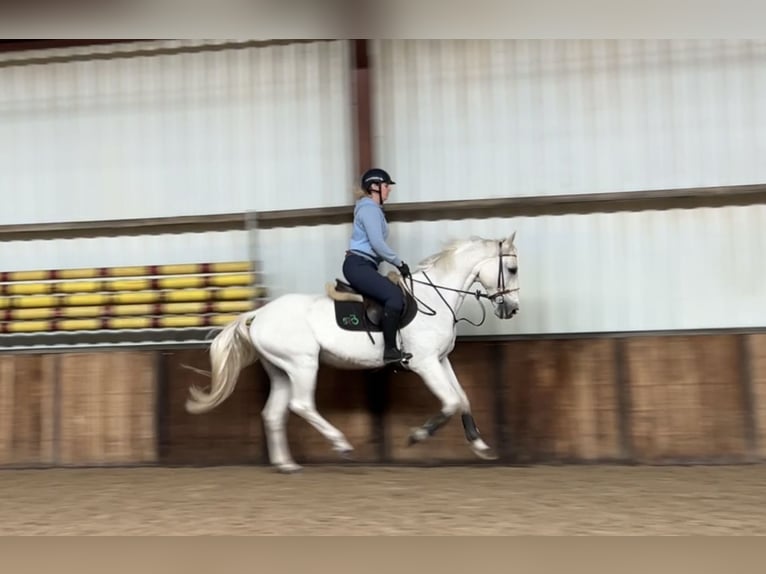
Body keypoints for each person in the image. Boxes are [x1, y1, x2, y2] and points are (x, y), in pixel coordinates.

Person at [343, 168, 413, 366]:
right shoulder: (369, 209)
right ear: (374, 187)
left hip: (365, 266)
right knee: (394, 297)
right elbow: (377, 244)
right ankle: (390, 350)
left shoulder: (373, 210)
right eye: (386, 186)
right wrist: (399, 263)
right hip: (359, 265)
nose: (389, 190)